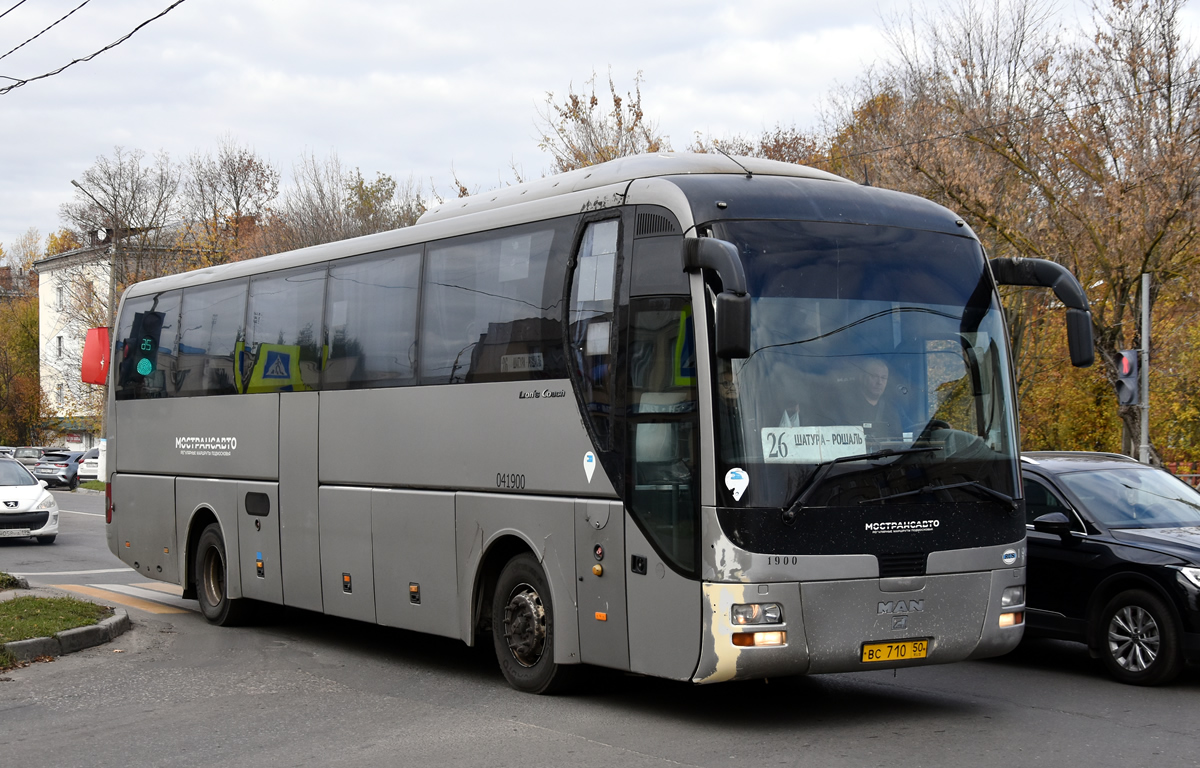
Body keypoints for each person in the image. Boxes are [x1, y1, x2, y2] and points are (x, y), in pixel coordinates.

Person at [840, 357, 901, 436]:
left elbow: (899, 440)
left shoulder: (892, 409)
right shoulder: (847, 406)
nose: (879, 382)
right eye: (874, 376)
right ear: (862, 377)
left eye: (883, 378)